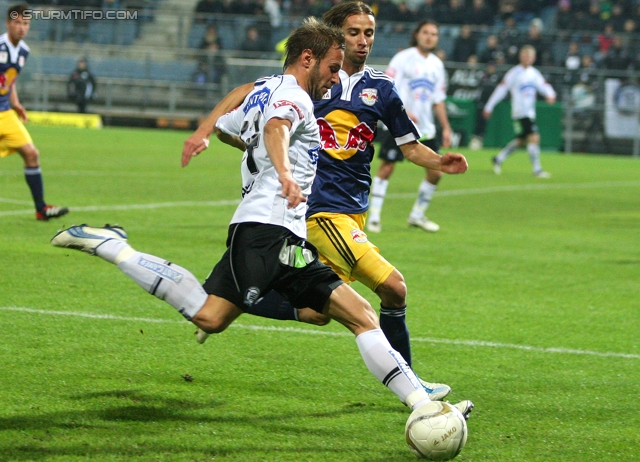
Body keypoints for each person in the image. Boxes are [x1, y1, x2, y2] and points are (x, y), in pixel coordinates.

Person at [50, 18, 473, 420]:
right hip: (271, 229)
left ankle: (114, 247)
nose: (334, 76)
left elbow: (227, 127)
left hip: (263, 228)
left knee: (219, 317)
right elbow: (275, 129)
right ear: (307, 58)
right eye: (330, 67)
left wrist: (237, 147)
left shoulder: (264, 89)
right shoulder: (295, 98)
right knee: (350, 312)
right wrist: (285, 173)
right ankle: (421, 404)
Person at [181, 2, 470, 402]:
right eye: (354, 32)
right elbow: (247, 96)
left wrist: (440, 161)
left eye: (369, 33)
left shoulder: (380, 88)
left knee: (318, 312)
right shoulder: (312, 82)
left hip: (353, 212)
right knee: (394, 288)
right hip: (321, 212)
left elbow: (409, 146)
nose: (363, 41)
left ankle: (235, 299)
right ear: (335, 35)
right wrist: (211, 132)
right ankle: (412, 384)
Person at [367, 19, 452, 234]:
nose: (429, 37)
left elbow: (438, 99)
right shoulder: (403, 58)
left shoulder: (437, 65)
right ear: (417, 34)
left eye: (434, 34)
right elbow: (386, 85)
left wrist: (446, 126)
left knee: (437, 171)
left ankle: (417, 215)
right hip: (399, 123)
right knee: (387, 167)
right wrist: (401, 109)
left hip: (426, 126)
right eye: (426, 32)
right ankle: (374, 217)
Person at [0, 4, 69, 220]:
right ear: (8, 23)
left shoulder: (23, 51)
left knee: (31, 154)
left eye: (26, 23)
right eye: (17, 22)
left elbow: (10, 80)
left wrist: (16, 103)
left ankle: (41, 209)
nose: (21, 27)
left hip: (5, 112)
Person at [483, 45, 556, 178]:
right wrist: (489, 106)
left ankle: (498, 158)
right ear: (520, 56)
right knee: (534, 137)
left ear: (533, 58)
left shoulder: (534, 73)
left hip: (529, 112)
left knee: (521, 141)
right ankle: (537, 170)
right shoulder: (514, 73)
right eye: (525, 55)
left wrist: (550, 94)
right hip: (520, 112)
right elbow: (501, 90)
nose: (527, 58)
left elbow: (543, 85)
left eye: (530, 56)